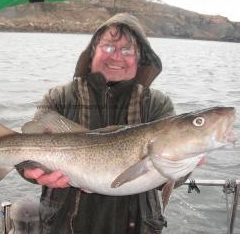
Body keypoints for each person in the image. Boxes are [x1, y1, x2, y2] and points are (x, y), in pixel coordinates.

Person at [23, 13, 176, 234]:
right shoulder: (59, 98)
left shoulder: (157, 105)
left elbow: (167, 178)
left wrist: (183, 166)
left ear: (139, 58)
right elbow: (26, 150)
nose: (117, 57)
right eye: (108, 47)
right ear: (92, 50)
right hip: (64, 224)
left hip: (136, 226)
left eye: (127, 50)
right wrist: (28, 170)